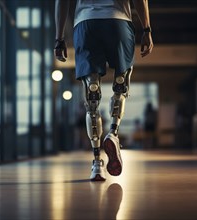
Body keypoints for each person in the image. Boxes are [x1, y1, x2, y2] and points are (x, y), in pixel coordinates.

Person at [54, 0, 153, 181]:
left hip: (86, 23)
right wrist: (147, 30)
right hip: (119, 21)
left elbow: (61, 2)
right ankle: (113, 133)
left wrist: (59, 39)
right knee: (121, 83)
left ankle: (97, 163)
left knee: (91, 92)